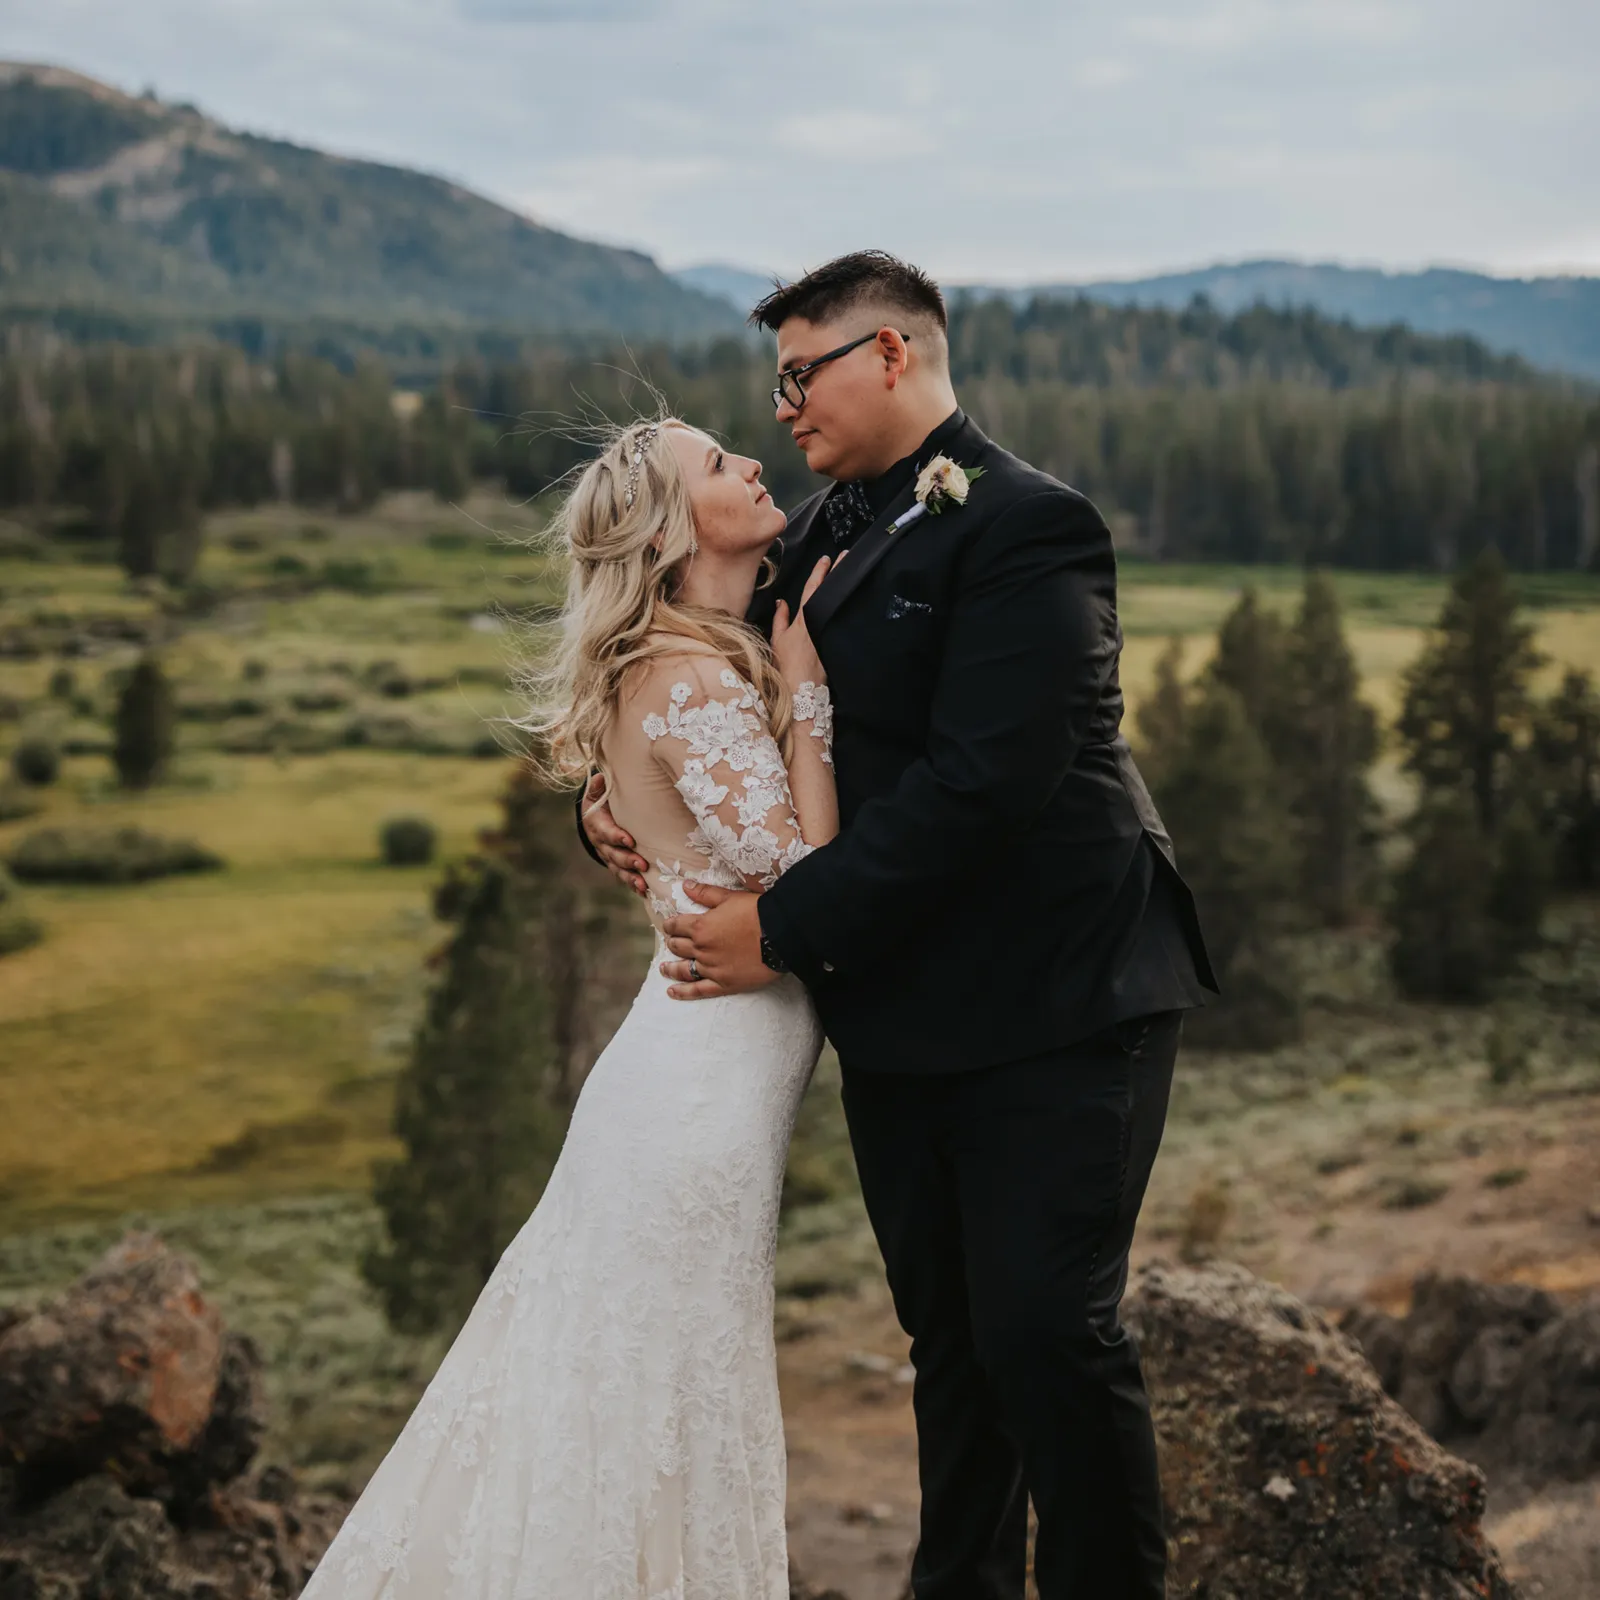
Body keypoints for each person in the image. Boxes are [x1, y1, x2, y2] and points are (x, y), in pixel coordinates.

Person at [581, 250, 1217, 1600]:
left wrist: (785, 929)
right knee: (953, 1349)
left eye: (800, 375)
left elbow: (989, 782)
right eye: (773, 384)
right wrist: (610, 796)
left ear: (891, 355)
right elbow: (686, 667)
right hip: (905, 1011)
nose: (783, 409)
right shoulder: (814, 532)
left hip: (1062, 991)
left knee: (1050, 1334)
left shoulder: (1031, 525)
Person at [299, 418, 839, 1599]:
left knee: (634, 1392)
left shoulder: (699, 652)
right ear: (667, 528)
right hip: (690, 1104)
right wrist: (806, 695)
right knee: (644, 1396)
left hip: (694, 1082)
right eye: (718, 464)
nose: (754, 463)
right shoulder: (697, 675)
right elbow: (811, 885)